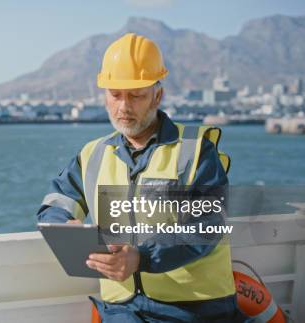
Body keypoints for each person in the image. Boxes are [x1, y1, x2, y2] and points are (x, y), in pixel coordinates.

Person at [36, 33, 248, 322]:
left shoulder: (196, 149)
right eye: (115, 94)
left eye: (136, 95)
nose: (124, 106)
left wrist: (142, 257)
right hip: (122, 310)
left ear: (157, 95)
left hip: (194, 310)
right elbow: (55, 203)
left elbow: (208, 224)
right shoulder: (92, 154)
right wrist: (65, 226)